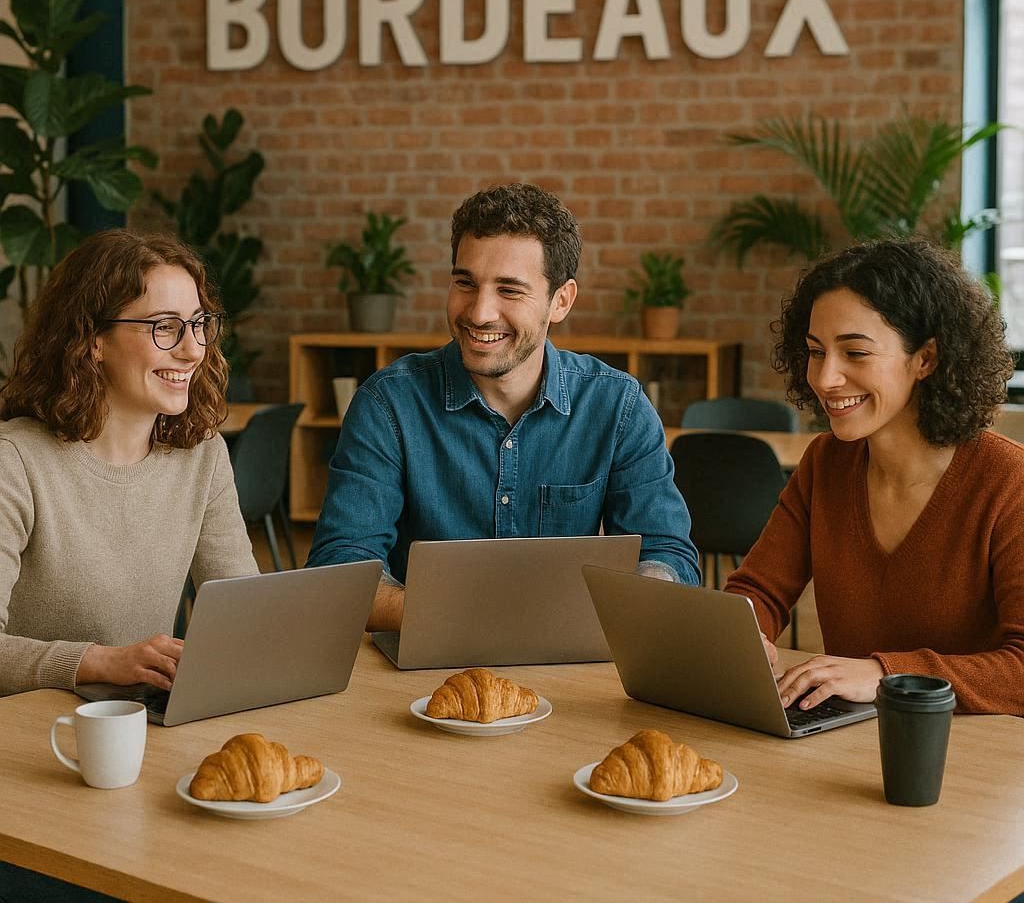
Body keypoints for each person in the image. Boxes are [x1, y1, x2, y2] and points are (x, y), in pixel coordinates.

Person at [307, 182, 700, 629]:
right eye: (465, 283)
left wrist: (638, 593)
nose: (479, 312)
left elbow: (667, 554)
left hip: (570, 661)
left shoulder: (618, 406)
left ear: (561, 301)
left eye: (509, 290)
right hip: (423, 664)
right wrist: (479, 619)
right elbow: (341, 567)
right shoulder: (387, 405)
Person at [724, 238, 1024, 716]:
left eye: (855, 354)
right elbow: (759, 590)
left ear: (925, 359)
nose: (825, 378)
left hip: (975, 762)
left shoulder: (1009, 481)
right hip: (848, 743)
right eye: (816, 352)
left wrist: (887, 673)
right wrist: (744, 638)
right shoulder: (826, 462)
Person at [0, 229, 258, 697]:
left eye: (199, 324)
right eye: (165, 327)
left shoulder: (202, 455)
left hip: (142, 724)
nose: (193, 349)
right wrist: (100, 661)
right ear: (93, 339)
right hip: (32, 733)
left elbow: (247, 614)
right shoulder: (13, 462)